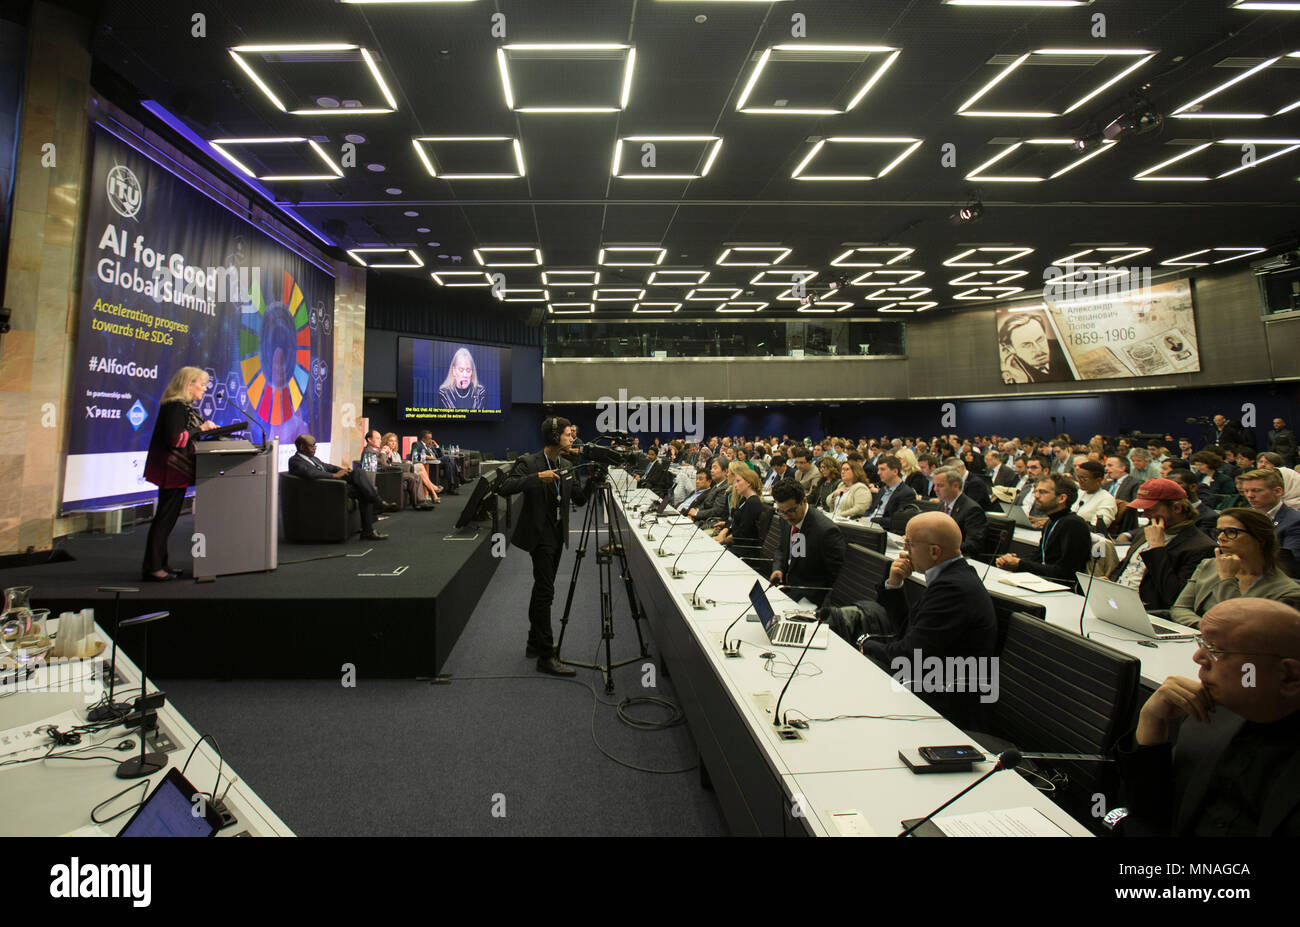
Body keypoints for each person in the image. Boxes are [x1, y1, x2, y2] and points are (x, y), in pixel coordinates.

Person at [1115, 598, 1300, 836]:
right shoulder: (1208, 717)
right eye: (1202, 642)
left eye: (1216, 650)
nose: (1198, 657)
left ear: (1289, 677)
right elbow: (1150, 818)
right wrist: (1151, 723)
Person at [821, 512, 997, 729]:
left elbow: (908, 654)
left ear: (934, 551)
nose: (904, 552)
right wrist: (894, 584)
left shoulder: (953, 590)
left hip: (943, 700)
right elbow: (908, 632)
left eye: (909, 544)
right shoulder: (949, 577)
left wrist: (863, 642)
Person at [497, 417, 593, 676]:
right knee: (546, 591)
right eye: (567, 434)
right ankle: (546, 655)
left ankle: (533, 641)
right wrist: (537, 478)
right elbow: (504, 487)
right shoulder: (529, 462)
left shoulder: (567, 464)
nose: (572, 438)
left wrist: (594, 479)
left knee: (542, 589)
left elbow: (580, 500)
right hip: (538, 537)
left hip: (557, 534)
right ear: (553, 437)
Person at [141, 366, 219, 580]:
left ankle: (160, 564)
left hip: (175, 469)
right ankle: (153, 568)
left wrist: (205, 429)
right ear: (188, 384)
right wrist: (201, 430)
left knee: (167, 517)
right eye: (201, 385)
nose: (204, 389)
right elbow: (176, 439)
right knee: (165, 518)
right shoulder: (176, 406)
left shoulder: (182, 406)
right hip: (171, 469)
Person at [1169, 508, 1300, 627]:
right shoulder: (1208, 565)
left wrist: (1227, 580)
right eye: (1218, 532)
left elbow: (1236, 625)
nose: (1221, 537)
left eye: (1231, 532)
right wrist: (1205, 626)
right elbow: (1180, 608)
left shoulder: (1287, 592)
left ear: (1260, 538)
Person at [1108, 478, 1216, 612]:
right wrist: (1108, 582)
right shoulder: (1145, 532)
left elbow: (1174, 597)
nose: (1146, 515)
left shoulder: (1201, 547)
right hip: (1116, 602)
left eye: (1151, 509)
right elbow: (1123, 568)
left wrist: (1157, 549)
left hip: (1149, 612)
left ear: (1177, 508)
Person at [288, 434, 397, 541]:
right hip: (323, 490)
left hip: (333, 486)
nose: (315, 448)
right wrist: (334, 475)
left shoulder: (314, 459)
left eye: (315, 445)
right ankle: (378, 502)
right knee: (361, 481)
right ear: (302, 447)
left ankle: (368, 530)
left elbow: (328, 467)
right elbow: (310, 473)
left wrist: (342, 470)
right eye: (312, 445)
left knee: (360, 480)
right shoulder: (295, 461)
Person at [996, 473, 1092, 583]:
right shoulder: (1051, 522)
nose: (1036, 496)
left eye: (1043, 492)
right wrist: (1013, 560)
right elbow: (1039, 557)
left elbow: (1067, 573)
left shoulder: (1074, 525)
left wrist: (1020, 564)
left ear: (1061, 498)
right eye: (1036, 491)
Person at [770, 481, 845, 607]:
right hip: (786, 588)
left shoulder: (826, 531)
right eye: (781, 511)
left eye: (790, 511)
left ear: (804, 501)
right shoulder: (785, 518)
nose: (786, 516)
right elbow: (781, 549)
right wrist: (777, 568)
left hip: (810, 597)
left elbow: (836, 578)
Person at [1239, 468, 1300, 562]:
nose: (1250, 495)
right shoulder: (1242, 517)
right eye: (1246, 491)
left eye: (1256, 490)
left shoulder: (1295, 521)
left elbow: (1288, 563)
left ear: (1278, 491)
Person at [933, 466, 988, 558]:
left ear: (955, 485)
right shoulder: (941, 505)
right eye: (935, 485)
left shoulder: (972, 510)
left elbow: (973, 545)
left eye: (940, 485)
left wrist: (942, 546)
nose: (935, 489)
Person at [998, 313, 1069, 383]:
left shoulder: (1065, 349)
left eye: (1040, 340)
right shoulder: (1011, 370)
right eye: (1027, 345)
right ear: (1010, 348)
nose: (1038, 349)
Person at [715, 461, 763, 554]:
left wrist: (724, 540)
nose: (735, 485)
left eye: (738, 481)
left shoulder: (753, 503)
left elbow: (742, 533)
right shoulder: (747, 500)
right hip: (737, 545)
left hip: (743, 549)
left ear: (749, 483)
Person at [380, 432, 434, 510]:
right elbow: (388, 464)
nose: (393, 443)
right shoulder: (384, 452)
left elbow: (398, 463)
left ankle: (422, 501)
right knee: (417, 472)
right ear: (386, 442)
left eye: (395, 441)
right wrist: (386, 453)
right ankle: (429, 493)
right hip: (394, 473)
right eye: (391, 441)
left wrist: (404, 462)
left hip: (402, 471)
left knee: (418, 475)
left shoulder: (396, 454)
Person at [867, 454, 917, 525]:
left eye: (882, 469)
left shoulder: (906, 493)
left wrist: (872, 520)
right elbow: (871, 511)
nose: (878, 473)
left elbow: (897, 521)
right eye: (878, 469)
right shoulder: (883, 490)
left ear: (895, 472)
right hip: (869, 524)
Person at [1071, 459, 1117, 530]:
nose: (1079, 482)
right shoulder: (1079, 492)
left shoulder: (1107, 499)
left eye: (1084, 479)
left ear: (1098, 480)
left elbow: (1098, 527)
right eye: (1078, 477)